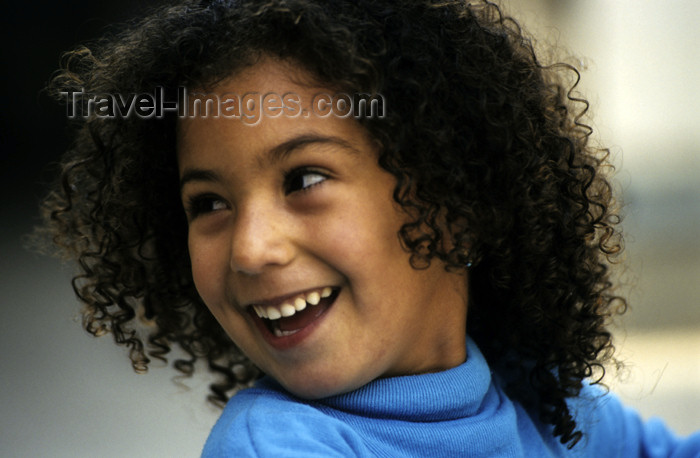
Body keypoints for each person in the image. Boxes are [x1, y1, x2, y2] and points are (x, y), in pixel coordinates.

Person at [35, 0, 700, 456]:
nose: (250, 247)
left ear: (453, 196)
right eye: (208, 203)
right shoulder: (281, 446)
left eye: (303, 179)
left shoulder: (545, 399)